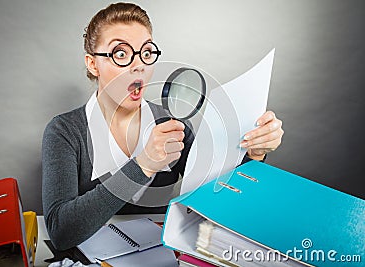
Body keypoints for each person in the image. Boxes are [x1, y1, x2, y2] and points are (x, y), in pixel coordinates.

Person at [42, 2, 284, 251]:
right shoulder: (64, 132)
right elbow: (61, 231)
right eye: (121, 54)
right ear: (93, 64)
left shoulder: (171, 124)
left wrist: (255, 154)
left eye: (146, 53)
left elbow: (222, 194)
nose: (139, 65)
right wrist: (142, 165)